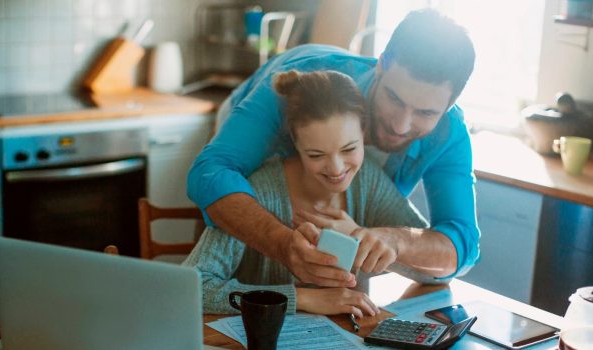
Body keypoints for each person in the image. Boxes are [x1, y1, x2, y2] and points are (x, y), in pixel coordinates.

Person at [187, 9, 478, 288]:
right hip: (255, 116)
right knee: (228, 244)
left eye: (426, 113)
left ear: (449, 105)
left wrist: (396, 240)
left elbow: (462, 246)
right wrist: (282, 244)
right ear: (381, 63)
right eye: (394, 98)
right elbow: (210, 174)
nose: (401, 126)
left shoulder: (450, 134)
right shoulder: (301, 87)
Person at [183, 70, 428, 316]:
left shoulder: (368, 180)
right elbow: (193, 286)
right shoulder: (258, 190)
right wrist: (300, 298)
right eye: (316, 155)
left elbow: (432, 271)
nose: (336, 169)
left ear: (364, 132)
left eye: (349, 149)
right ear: (296, 144)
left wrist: (384, 243)